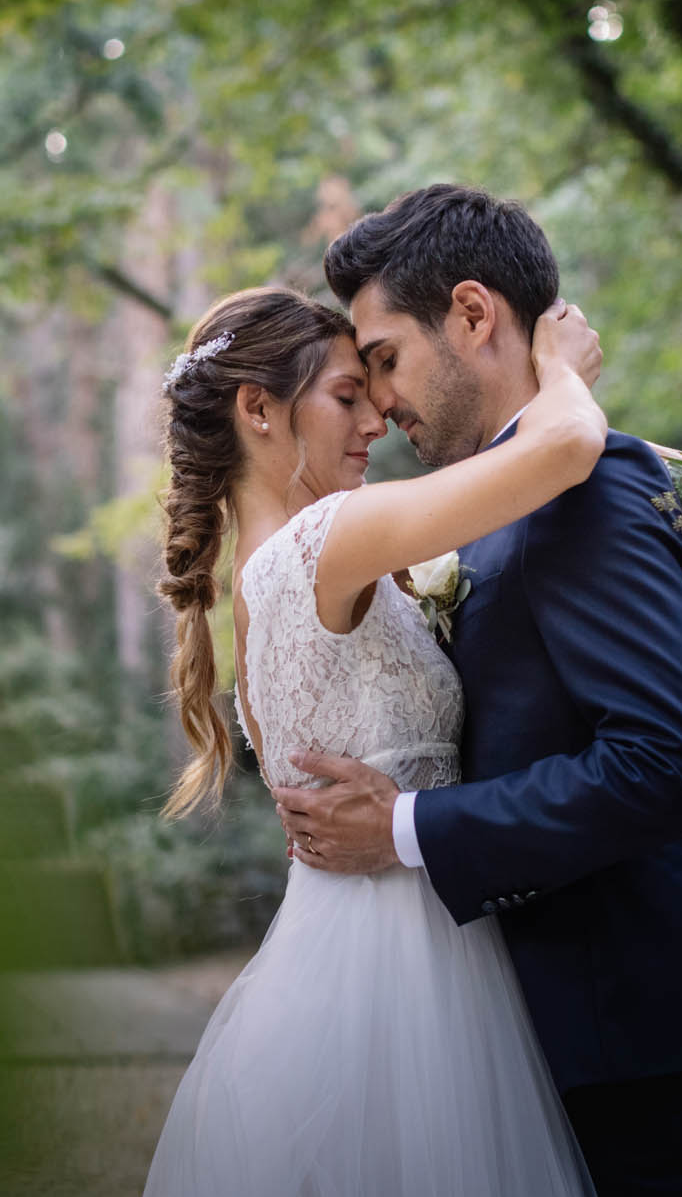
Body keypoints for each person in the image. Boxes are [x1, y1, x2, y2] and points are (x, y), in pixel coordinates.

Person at [274, 184, 682, 1197]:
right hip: (553, 1020)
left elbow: (664, 766)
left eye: (383, 359)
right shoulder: (509, 498)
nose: (379, 403)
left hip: (623, 1020)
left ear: (471, 314)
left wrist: (408, 826)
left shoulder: (584, 492)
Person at [142, 282, 605, 1196]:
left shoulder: (262, 577)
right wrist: (561, 369)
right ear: (260, 410)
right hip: (400, 968)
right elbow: (569, 445)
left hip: (347, 948)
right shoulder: (325, 539)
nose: (376, 421)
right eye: (346, 397)